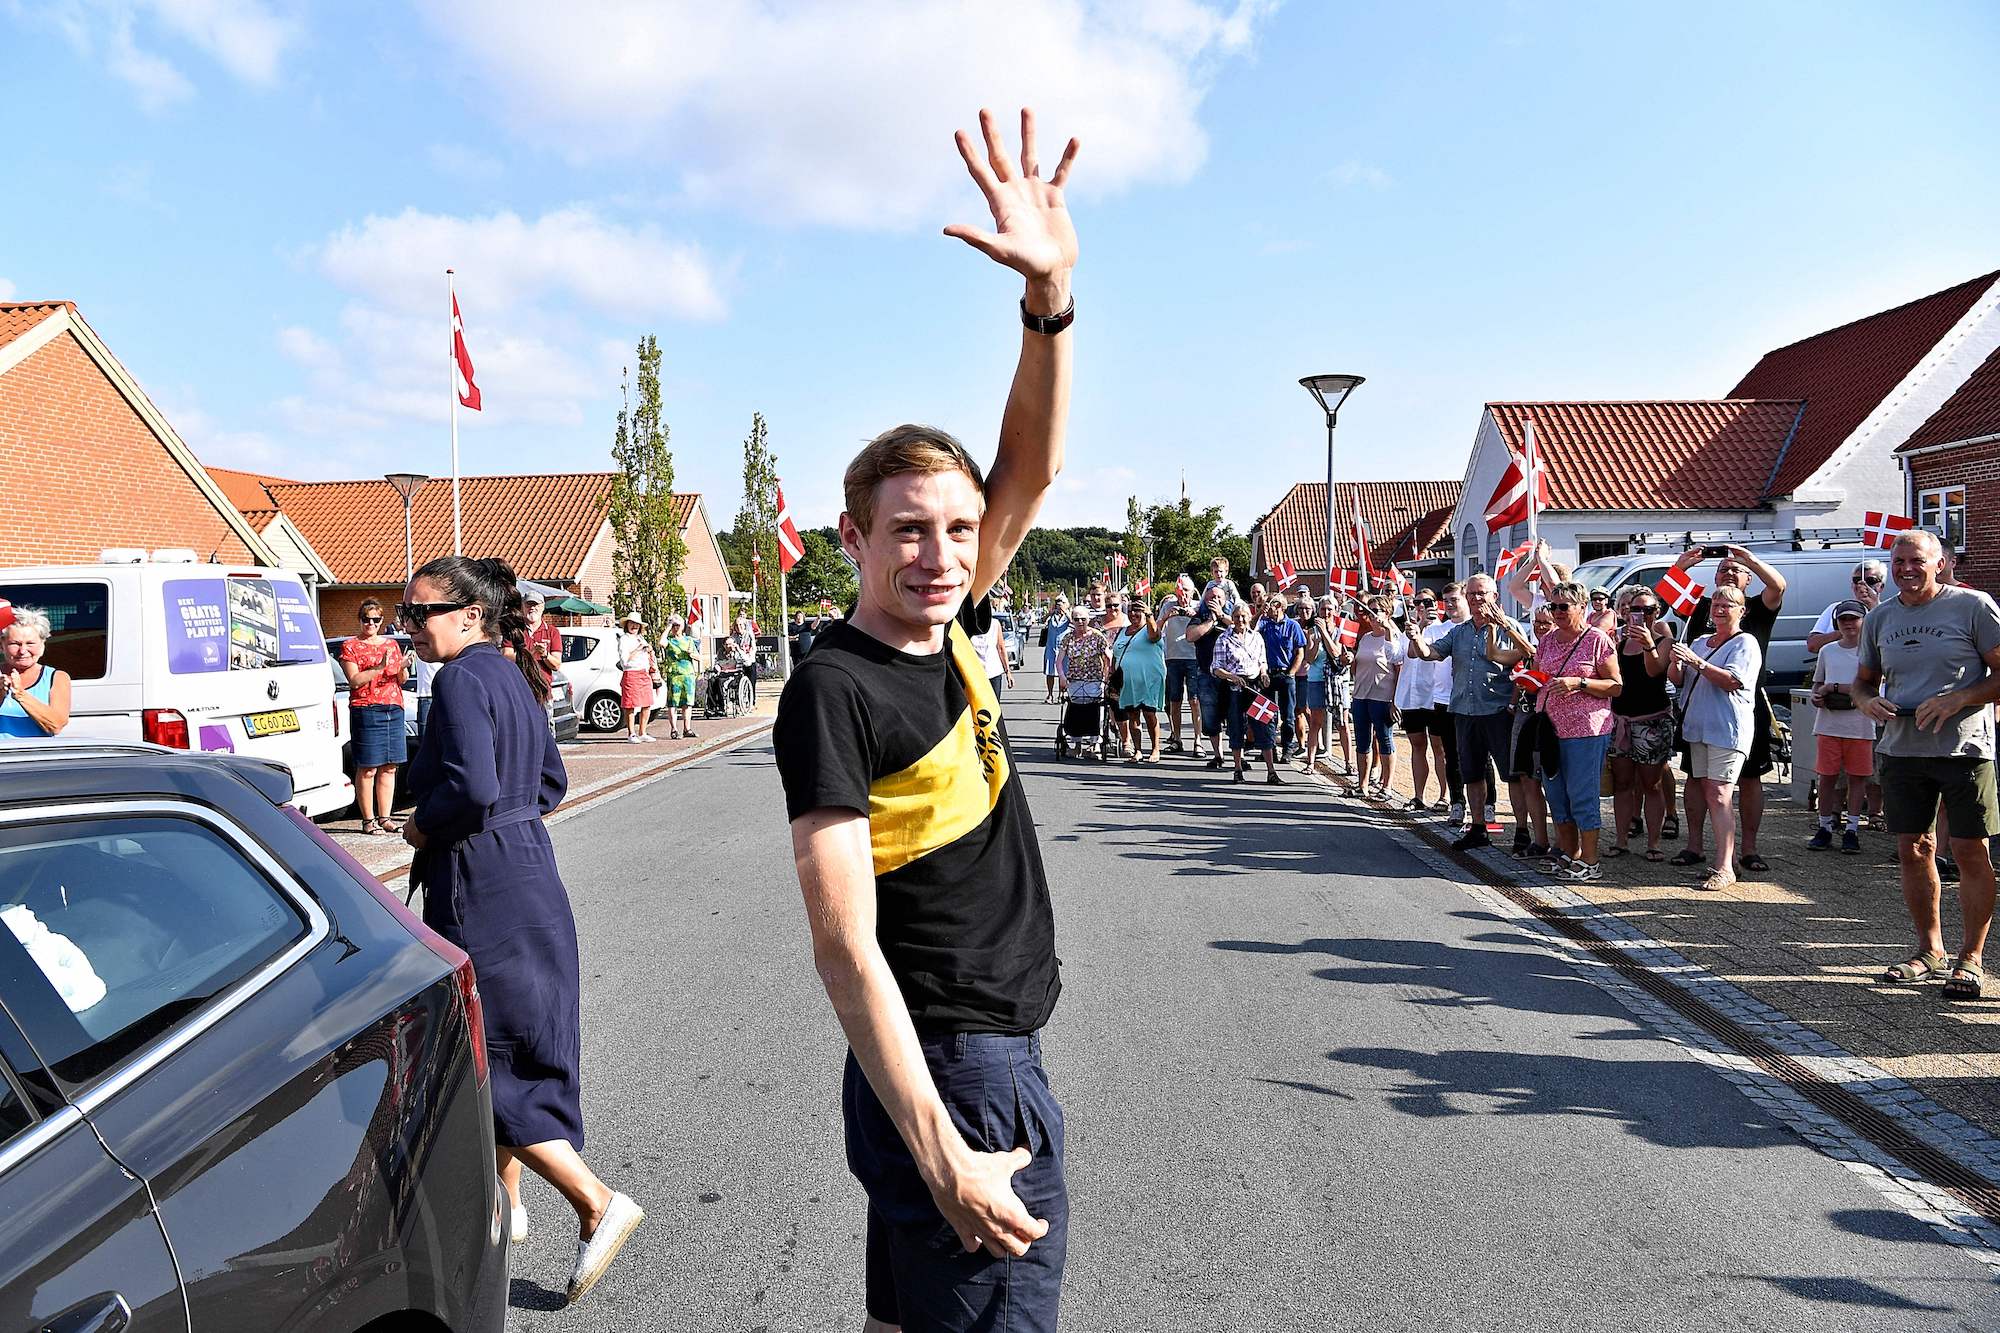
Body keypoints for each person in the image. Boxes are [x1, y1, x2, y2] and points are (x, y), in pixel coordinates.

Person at [773, 105, 1078, 1333]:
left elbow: (1033, 465)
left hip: (953, 1064)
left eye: (958, 528)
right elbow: (845, 945)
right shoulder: (834, 686)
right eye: (908, 529)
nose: (942, 552)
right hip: (958, 1068)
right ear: (851, 539)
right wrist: (948, 1149)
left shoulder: (946, 624)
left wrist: (1047, 301)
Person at [399, 556, 643, 1305]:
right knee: (504, 1040)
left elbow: (470, 787)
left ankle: (596, 1202)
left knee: (489, 1053)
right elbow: (551, 783)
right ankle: (508, 1209)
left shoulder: (462, 679)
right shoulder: (509, 672)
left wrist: (423, 824)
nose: (408, 630)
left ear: (470, 613)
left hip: (481, 883)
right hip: (530, 868)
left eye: (419, 614)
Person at [1855, 529, 2000, 1000]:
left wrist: (1958, 698)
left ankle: (1971, 958)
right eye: (1898, 561)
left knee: (1969, 851)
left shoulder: (1973, 606)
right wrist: (1867, 703)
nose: (1906, 569)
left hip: (1963, 749)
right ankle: (1929, 950)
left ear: (1940, 563)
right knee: (1914, 849)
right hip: (1901, 749)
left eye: (1916, 560)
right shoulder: (1880, 618)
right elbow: (1863, 682)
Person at [1674, 544, 1786, 876]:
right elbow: (1666, 596)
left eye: (1737, 569)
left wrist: (1748, 557)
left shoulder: (1757, 608)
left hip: (1742, 706)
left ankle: (1747, 850)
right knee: (1696, 778)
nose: (1730, 572)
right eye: (1724, 568)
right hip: (1699, 706)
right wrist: (1681, 563)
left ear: (1749, 580)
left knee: (1749, 778)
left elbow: (1778, 586)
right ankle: (1695, 845)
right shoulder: (1702, 607)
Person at [1405, 573, 1530, 852]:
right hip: (1464, 711)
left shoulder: (1509, 627)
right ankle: (1478, 829)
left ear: (1494, 597)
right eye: (1472, 594)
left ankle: (1522, 831)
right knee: (1471, 774)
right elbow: (1429, 654)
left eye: (1482, 593)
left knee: (1512, 775)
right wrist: (1416, 637)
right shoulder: (1459, 632)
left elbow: (1529, 655)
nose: (1476, 599)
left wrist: (1503, 628)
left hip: (1497, 712)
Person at [1521, 581, 1622, 880]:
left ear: (1582, 607)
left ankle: (1590, 860)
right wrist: (1528, 680)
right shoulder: (1549, 640)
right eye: (1554, 606)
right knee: (1556, 792)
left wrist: (1579, 683)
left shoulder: (1597, 640)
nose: (1558, 612)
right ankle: (1569, 852)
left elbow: (1616, 686)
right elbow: (1540, 673)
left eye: (1564, 606)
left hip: (1586, 730)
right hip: (1550, 727)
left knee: (1581, 793)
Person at [1669, 585, 1763, 893]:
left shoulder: (1745, 643)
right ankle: (1727, 859)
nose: (1720, 609)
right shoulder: (1698, 640)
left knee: (1721, 795)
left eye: (1728, 605)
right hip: (1698, 727)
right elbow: (1679, 680)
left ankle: (1725, 867)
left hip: (1727, 728)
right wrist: (1676, 661)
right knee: (1710, 793)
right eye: (1717, 604)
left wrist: (1696, 662)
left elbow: (1732, 681)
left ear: (1742, 611)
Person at [1607, 587, 1675, 862]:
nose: (1641, 615)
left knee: (1652, 784)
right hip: (1621, 720)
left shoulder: (1663, 641)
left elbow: (1654, 671)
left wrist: (1648, 643)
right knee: (1623, 784)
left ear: (1656, 613)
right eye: (1636, 609)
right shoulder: (1618, 642)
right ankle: (1621, 841)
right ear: (1626, 612)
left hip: (1652, 721)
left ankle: (1654, 843)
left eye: (1648, 610)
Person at [1809, 599, 1875, 854]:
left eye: (1853, 619)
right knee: (1826, 777)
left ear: (1863, 621)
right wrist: (1818, 695)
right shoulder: (1828, 651)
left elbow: (1874, 688)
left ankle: (1852, 829)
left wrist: (1835, 688)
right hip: (1829, 723)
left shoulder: (1871, 652)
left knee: (1858, 779)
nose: (1848, 624)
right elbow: (1817, 683)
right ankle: (1825, 826)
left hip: (1860, 725)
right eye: (1843, 619)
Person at [340, 599, 409, 834]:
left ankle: (385, 818)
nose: (371, 624)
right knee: (368, 766)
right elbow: (354, 681)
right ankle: (368, 820)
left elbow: (402, 680)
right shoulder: (351, 646)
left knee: (390, 766)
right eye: (366, 619)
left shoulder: (391, 645)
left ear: (382, 621)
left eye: (376, 620)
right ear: (360, 620)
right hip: (366, 708)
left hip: (393, 707)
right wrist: (378, 668)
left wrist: (403, 667)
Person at [1395, 591, 1453, 812]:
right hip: (1413, 696)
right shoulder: (1408, 630)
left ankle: (1444, 796)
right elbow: (1408, 654)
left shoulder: (1445, 629)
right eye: (1417, 602)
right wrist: (1416, 629)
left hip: (1435, 697)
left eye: (1426, 602)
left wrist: (1426, 626)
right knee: (1417, 746)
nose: (1421, 606)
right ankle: (1418, 796)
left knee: (1440, 748)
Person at [1213, 601, 1280, 784]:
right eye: (1236, 617)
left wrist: (1264, 674)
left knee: (1265, 726)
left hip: (1254, 687)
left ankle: (1271, 771)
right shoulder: (1224, 639)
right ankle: (1237, 769)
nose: (1240, 620)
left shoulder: (1257, 637)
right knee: (1236, 727)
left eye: (1243, 616)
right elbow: (1216, 668)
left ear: (1249, 618)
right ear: (1232, 619)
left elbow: (1262, 661)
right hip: (1235, 689)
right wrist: (1232, 676)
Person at [1349, 597, 1405, 800]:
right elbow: (1357, 667)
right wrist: (1349, 660)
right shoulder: (1365, 638)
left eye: (1378, 610)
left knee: (1384, 739)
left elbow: (1399, 670)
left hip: (1382, 697)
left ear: (1387, 613)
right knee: (1362, 741)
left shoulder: (1394, 638)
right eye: (1370, 610)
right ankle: (1362, 784)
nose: (1373, 615)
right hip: (1360, 695)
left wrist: (1395, 700)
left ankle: (1386, 787)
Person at [0, 606, 72, 737]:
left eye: (30, 643)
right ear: (2, 646)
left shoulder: (56, 678)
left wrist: (20, 695)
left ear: (42, 645)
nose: (22, 651)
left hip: (35, 756)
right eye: (15, 644)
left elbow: (56, 725)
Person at [1184, 581, 1233, 766]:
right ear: (1205, 600)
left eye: (1219, 597)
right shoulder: (1199, 617)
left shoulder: (1232, 616)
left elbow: (1243, 627)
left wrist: (1222, 616)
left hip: (1231, 676)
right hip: (1206, 673)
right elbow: (1190, 636)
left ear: (1225, 600)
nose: (1215, 600)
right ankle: (1218, 754)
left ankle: (1239, 755)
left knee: (1235, 715)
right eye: (1212, 597)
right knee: (1211, 716)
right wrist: (1211, 621)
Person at [1115, 595, 1166, 762]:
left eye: (1137, 611)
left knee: (1149, 714)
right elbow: (1116, 654)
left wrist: (1150, 615)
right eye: (1130, 611)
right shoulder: (1123, 631)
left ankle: (1155, 749)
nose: (1134, 614)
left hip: (1149, 680)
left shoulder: (1149, 628)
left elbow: (1154, 636)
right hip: (1128, 680)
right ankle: (1137, 750)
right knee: (1133, 715)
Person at [1258, 592, 1307, 761]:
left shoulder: (1293, 626)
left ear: (1278, 606)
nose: (1265, 607)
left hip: (1285, 674)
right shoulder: (1263, 624)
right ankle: (1267, 748)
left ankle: (1287, 748)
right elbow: (1249, 630)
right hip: (1267, 675)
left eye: (1268, 604)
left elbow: (1299, 651)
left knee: (1288, 715)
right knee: (1266, 714)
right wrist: (1259, 613)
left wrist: (1292, 672)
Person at [1057, 605, 1110, 758]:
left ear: (1089, 619)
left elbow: (1108, 657)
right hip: (1074, 680)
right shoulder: (1068, 638)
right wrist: (1062, 676)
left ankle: (1095, 745)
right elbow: (1059, 661)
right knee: (1076, 711)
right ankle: (1077, 745)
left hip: (1094, 679)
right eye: (1076, 619)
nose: (1080, 622)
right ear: (1072, 620)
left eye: (1083, 619)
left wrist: (1106, 676)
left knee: (1095, 711)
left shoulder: (1098, 636)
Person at [1804, 558, 1888, 653]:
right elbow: (1812, 645)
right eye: (1857, 580)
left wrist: (1873, 608)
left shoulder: (1888, 611)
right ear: (1852, 585)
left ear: (1881, 587)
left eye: (1870, 581)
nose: (1863, 585)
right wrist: (1846, 632)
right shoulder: (1835, 609)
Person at [1157, 576, 1201, 755]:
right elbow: (1156, 629)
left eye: (1187, 591)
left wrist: (1195, 614)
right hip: (1173, 657)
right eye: (1180, 591)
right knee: (1174, 700)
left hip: (1193, 657)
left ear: (1193, 591)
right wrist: (1168, 615)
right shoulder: (1168, 605)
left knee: (1195, 700)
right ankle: (1177, 738)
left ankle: (1198, 741)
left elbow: (1209, 626)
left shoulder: (1199, 606)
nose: (1183, 596)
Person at [614, 613, 656, 743]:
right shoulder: (624, 639)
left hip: (644, 673)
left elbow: (648, 655)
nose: (634, 626)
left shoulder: (641, 638)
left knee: (647, 703)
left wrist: (650, 651)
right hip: (631, 672)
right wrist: (638, 649)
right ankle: (631, 733)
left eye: (636, 624)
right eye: (631, 623)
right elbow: (624, 661)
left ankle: (643, 732)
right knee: (630, 704)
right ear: (627, 624)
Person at [658, 615, 700, 739]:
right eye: (674, 625)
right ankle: (674, 729)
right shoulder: (670, 641)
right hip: (674, 674)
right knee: (673, 703)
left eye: (678, 625)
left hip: (688, 674)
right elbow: (661, 643)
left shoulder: (689, 640)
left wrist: (691, 654)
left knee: (687, 703)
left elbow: (698, 657)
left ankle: (687, 728)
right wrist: (668, 627)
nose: (676, 628)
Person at [1040, 596, 1072, 703]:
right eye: (1057, 603)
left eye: (1061, 602)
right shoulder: (1052, 616)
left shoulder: (1068, 616)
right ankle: (1049, 695)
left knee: (1062, 673)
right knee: (1050, 672)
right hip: (1051, 648)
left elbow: (1073, 623)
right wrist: (1051, 613)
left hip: (1063, 649)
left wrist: (1065, 612)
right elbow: (1042, 620)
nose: (1059, 605)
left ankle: (1061, 694)